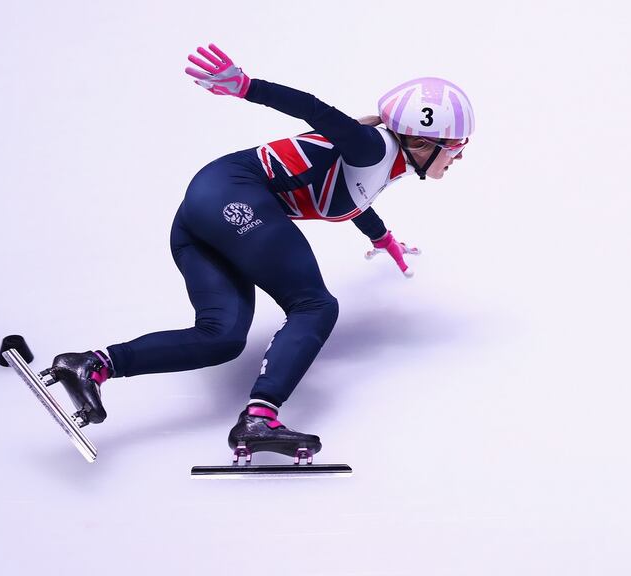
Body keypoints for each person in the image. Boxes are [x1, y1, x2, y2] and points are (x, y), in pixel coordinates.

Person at [47, 43, 475, 461]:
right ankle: (260, 417)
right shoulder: (372, 145)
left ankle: (90, 365)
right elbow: (315, 109)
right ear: (423, 141)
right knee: (315, 305)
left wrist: (382, 238)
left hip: (203, 212)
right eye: (457, 145)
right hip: (231, 195)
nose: (459, 156)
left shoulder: (383, 161)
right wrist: (247, 85)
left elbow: (355, 199)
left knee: (222, 338)